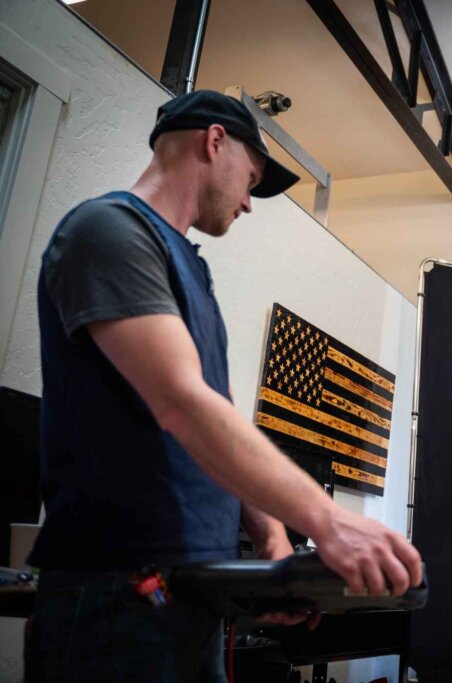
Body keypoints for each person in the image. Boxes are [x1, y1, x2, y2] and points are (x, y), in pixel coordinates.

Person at [24, 90, 422, 681]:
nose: (250, 203)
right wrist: (327, 521)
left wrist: (270, 546)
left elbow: (219, 414)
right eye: (252, 178)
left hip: (189, 594)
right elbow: (183, 405)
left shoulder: (190, 267)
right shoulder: (109, 231)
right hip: (116, 594)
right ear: (215, 142)